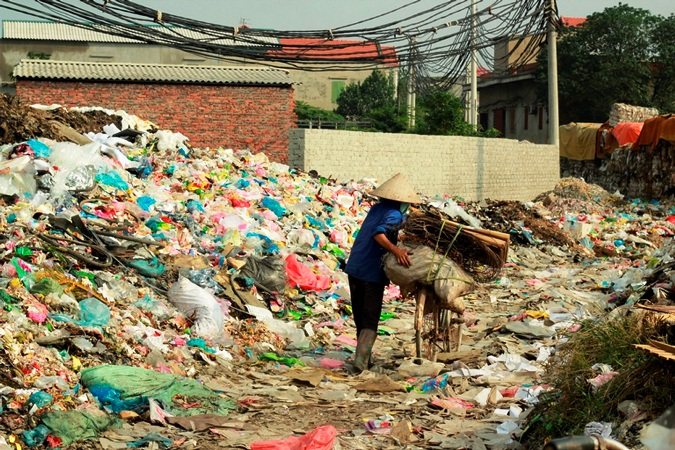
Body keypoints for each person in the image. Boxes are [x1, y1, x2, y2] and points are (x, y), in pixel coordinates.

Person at [344, 173, 422, 373]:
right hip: (371, 272)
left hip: (354, 266)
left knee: (360, 315)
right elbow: (378, 233)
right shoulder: (395, 214)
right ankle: (360, 363)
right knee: (371, 316)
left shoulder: (377, 208)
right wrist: (397, 250)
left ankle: (364, 358)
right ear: (401, 201)